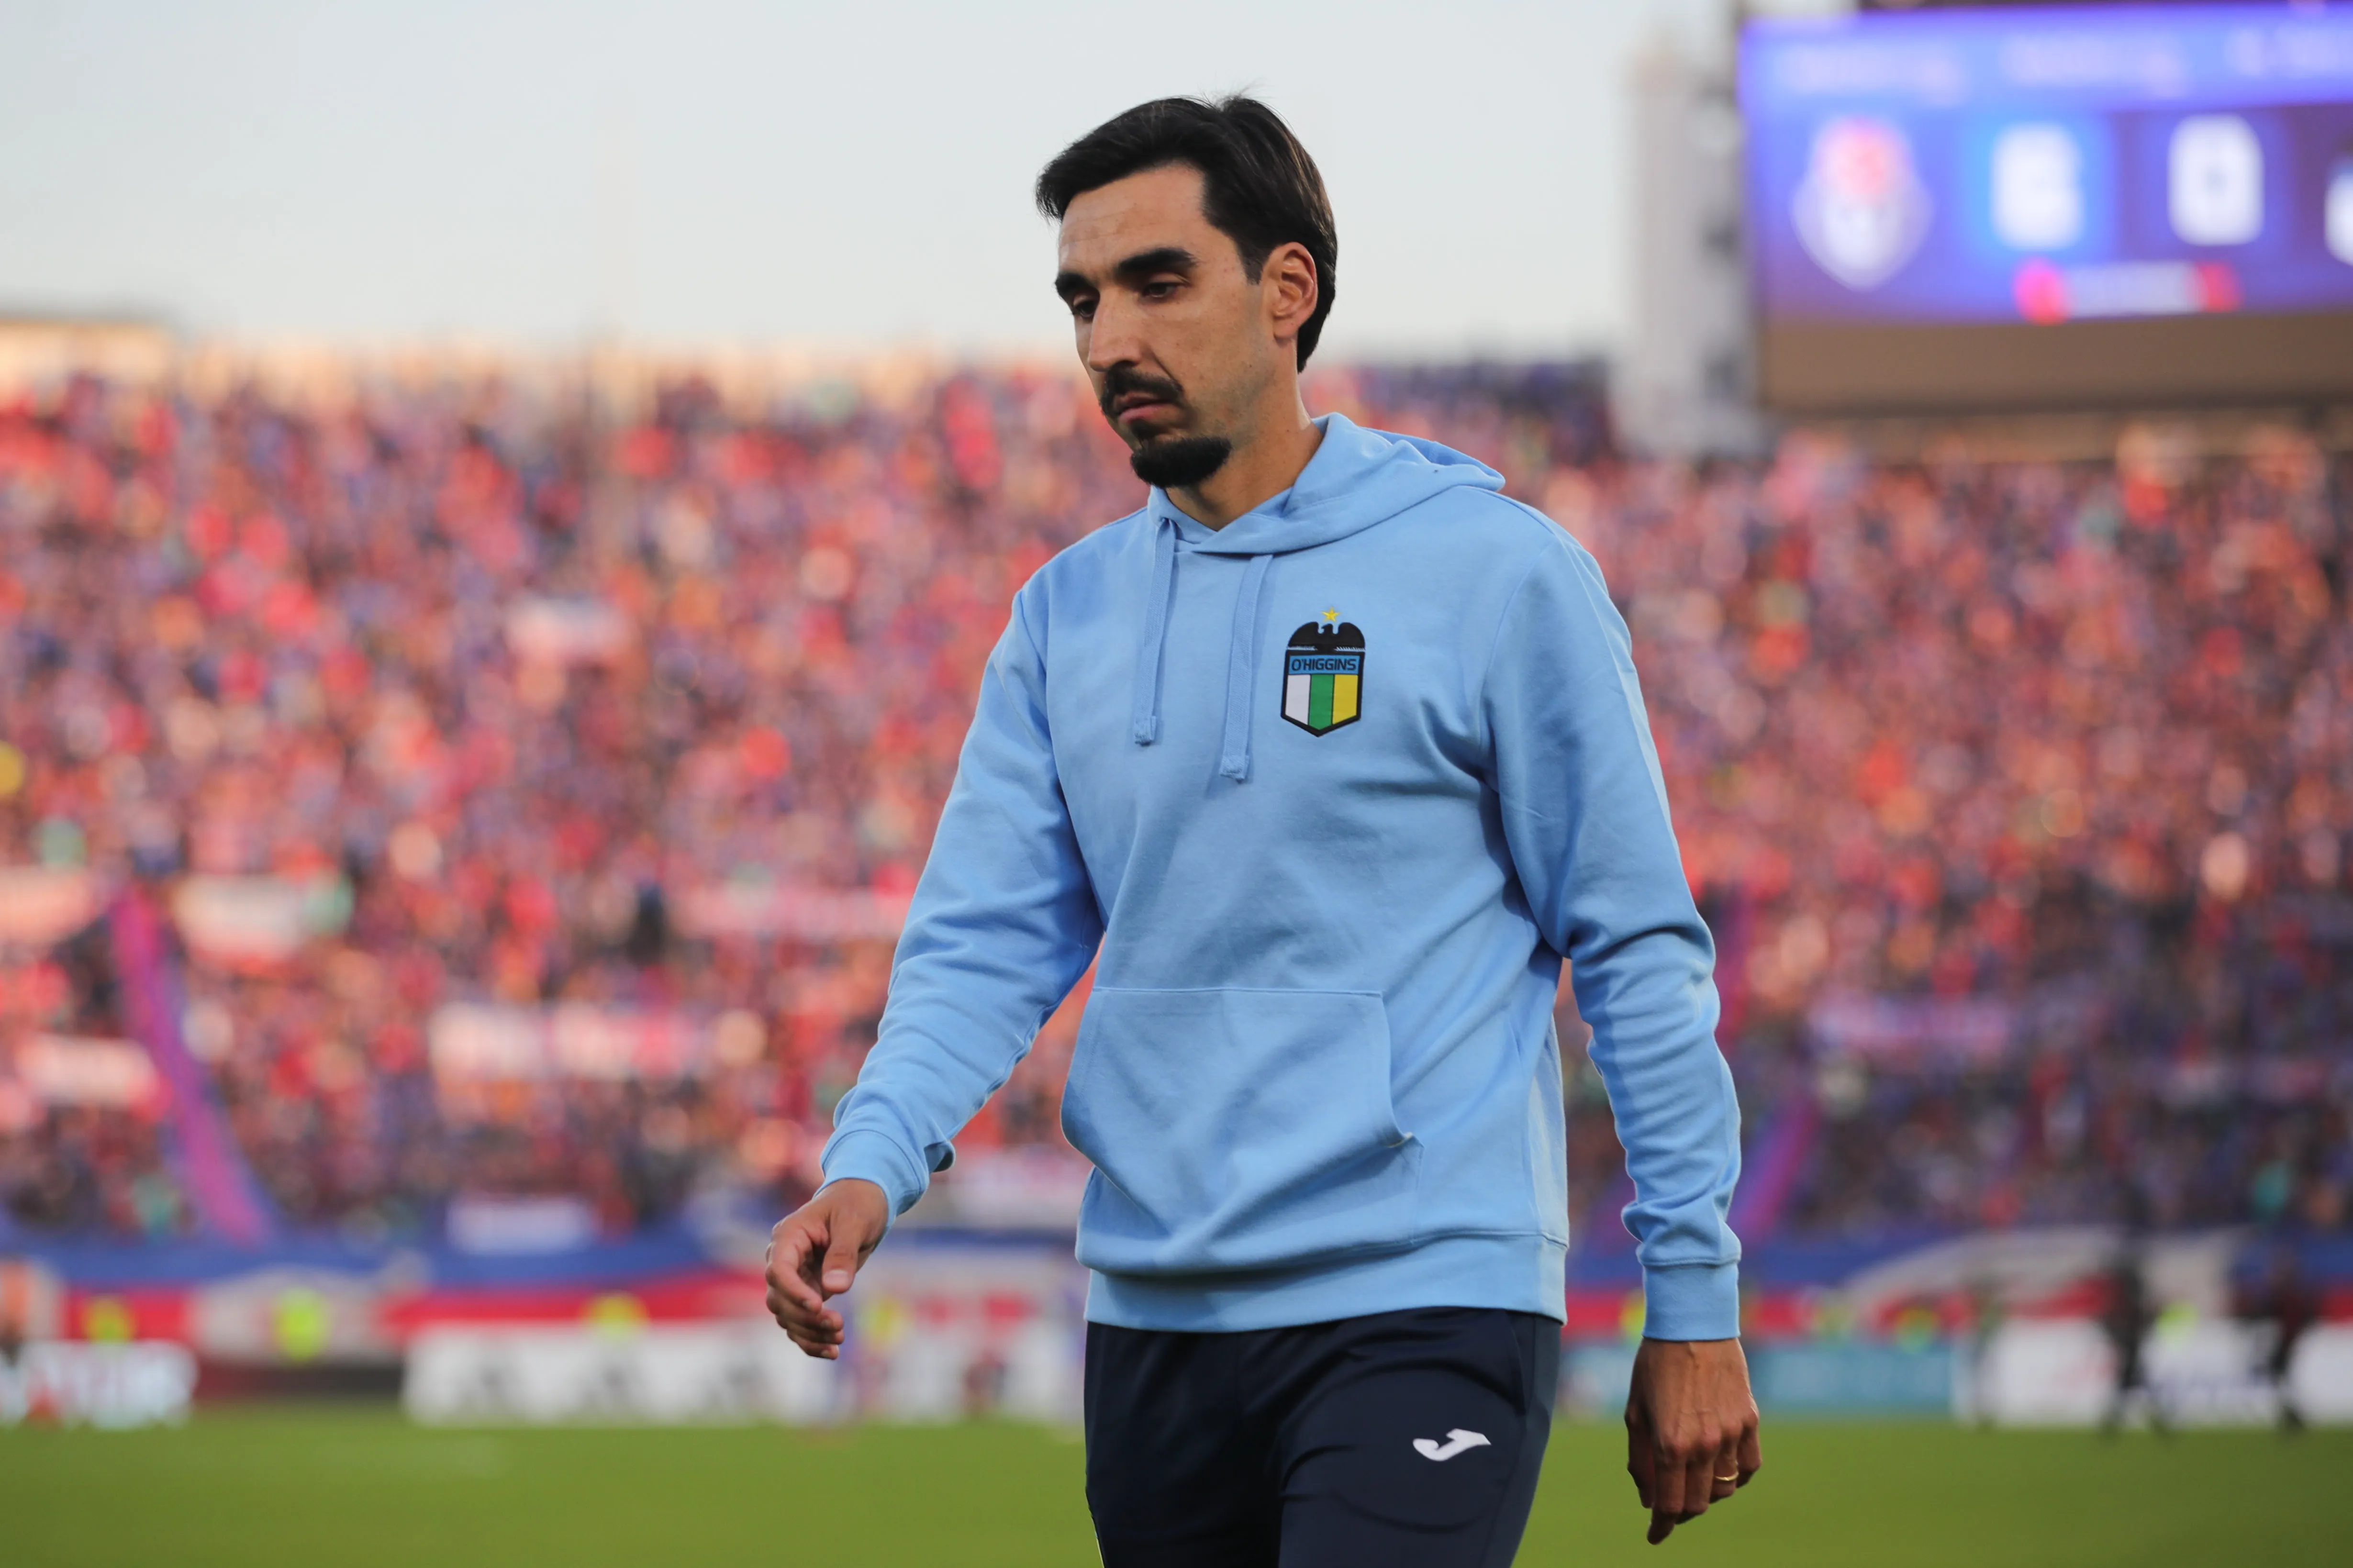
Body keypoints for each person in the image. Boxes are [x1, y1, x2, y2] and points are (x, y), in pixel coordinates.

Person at [765, 95, 1757, 1563]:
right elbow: (981, 940)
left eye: (1156, 282)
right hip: (1155, 1316)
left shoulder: (1495, 574)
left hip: (1424, 1295)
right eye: (1081, 299)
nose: (1106, 339)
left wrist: (1694, 1299)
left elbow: (1634, 946)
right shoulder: (1063, 618)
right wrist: (869, 1158)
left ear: (1285, 291)